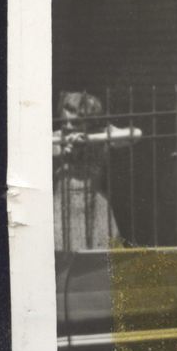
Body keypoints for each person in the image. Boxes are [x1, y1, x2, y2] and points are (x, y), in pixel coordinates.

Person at [53, 90, 121, 250]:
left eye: (75, 123)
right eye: (65, 122)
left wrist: (90, 139)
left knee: (100, 258)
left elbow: (134, 134)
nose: (69, 127)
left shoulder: (100, 136)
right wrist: (64, 148)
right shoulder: (57, 137)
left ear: (90, 121)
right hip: (63, 205)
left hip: (94, 204)